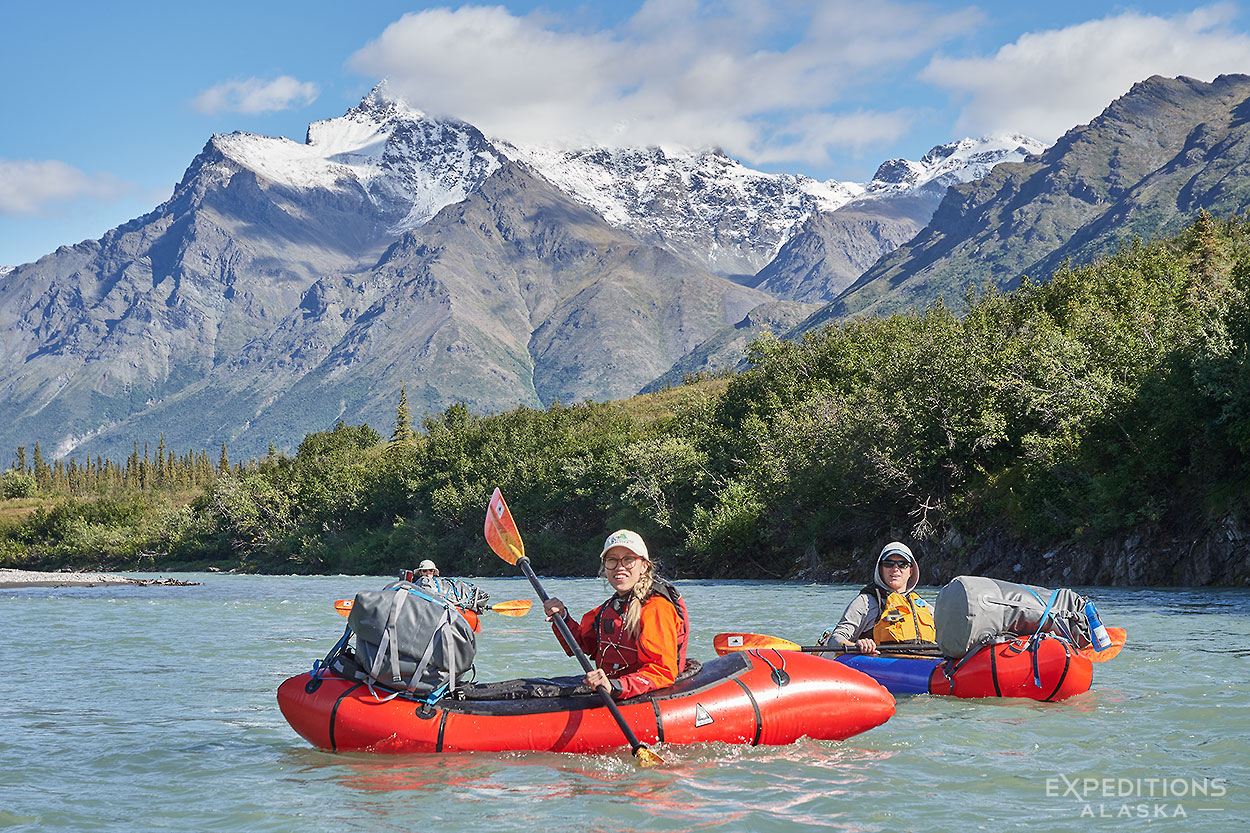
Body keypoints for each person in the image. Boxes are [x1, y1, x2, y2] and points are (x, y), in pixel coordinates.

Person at [542, 529, 689, 699]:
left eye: (628, 559)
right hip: (614, 688)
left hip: (644, 694)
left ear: (644, 566)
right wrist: (563, 617)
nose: (620, 567)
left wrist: (615, 686)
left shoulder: (657, 608)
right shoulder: (609, 608)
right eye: (612, 560)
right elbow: (582, 646)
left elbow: (662, 671)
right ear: (605, 567)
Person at [818, 541, 935, 654]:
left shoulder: (924, 607)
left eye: (902, 564)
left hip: (923, 664)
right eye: (888, 563)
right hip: (879, 665)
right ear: (880, 569)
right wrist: (856, 646)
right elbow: (835, 638)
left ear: (910, 571)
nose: (895, 569)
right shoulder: (865, 603)